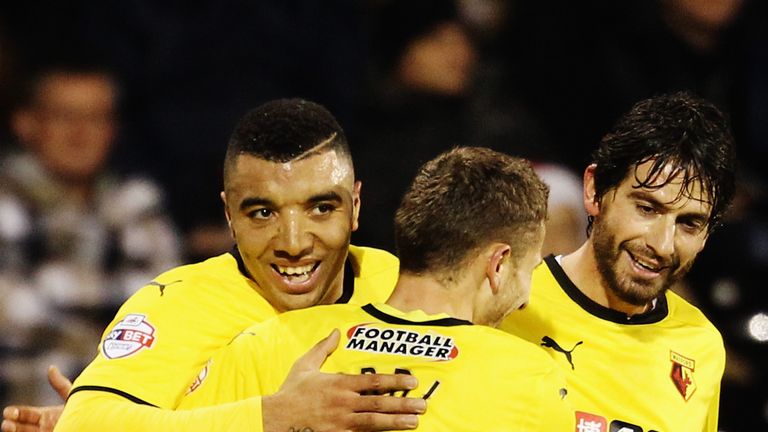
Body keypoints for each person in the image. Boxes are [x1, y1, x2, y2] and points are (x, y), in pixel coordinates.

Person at [3, 99, 424, 432]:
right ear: (229, 216)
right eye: (262, 213)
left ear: (355, 206)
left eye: (321, 208)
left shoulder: (409, 287)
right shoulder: (180, 303)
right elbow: (88, 424)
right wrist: (272, 418)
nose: (293, 243)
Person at [178, 146, 574, 431]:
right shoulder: (525, 378)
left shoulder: (272, 343)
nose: (525, 298)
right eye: (531, 268)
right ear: (498, 264)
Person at [501, 91, 737, 431]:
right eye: (647, 208)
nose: (662, 245)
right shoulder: (503, 301)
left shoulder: (701, 345)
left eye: (689, 223)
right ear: (595, 191)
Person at [0, 58, 181, 407]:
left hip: (124, 406)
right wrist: (115, 341)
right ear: (26, 124)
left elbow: (168, 307)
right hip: (21, 407)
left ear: (114, 129)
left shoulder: (138, 202)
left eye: (96, 118)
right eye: (65, 116)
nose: (80, 132)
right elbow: (13, 312)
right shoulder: (7, 195)